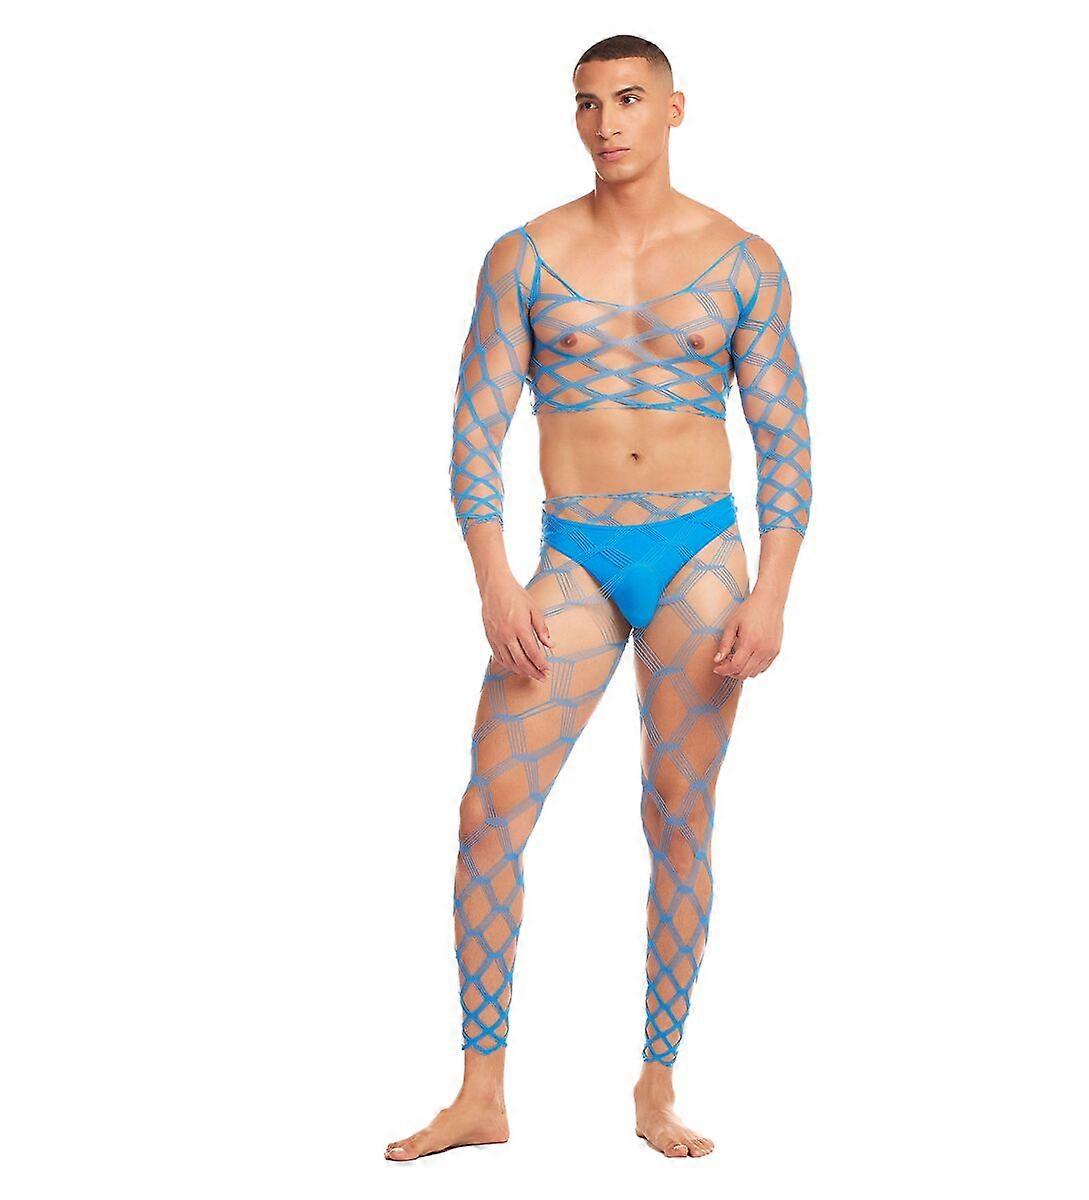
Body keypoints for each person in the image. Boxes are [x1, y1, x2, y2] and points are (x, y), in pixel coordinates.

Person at [386, 33, 811, 1162]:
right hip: (572, 557)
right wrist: (493, 578)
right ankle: (481, 1091)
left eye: (628, 99)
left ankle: (655, 1085)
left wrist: (772, 592)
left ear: (675, 108)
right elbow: (475, 429)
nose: (607, 122)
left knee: (678, 815)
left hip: (699, 556)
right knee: (488, 816)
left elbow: (785, 439)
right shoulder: (524, 257)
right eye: (587, 103)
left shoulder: (742, 260)